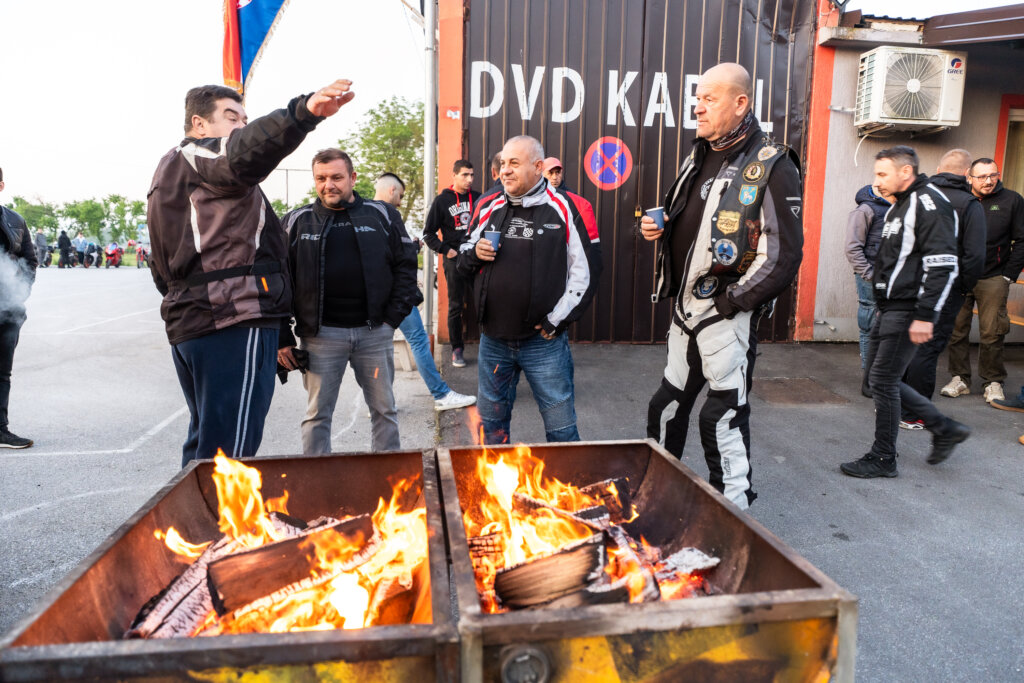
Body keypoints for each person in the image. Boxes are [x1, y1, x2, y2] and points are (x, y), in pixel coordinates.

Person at [148, 79, 355, 467]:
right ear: (199, 124)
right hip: (231, 321)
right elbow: (244, 150)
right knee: (231, 454)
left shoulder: (171, 170)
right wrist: (302, 112)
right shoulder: (200, 155)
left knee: (208, 447)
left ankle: (194, 507)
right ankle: (218, 511)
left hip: (197, 320)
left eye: (245, 119)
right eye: (232, 118)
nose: (242, 126)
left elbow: (160, 268)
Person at [641, 63, 803, 509]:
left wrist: (733, 303)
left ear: (740, 103)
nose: (698, 107)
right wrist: (661, 225)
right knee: (664, 407)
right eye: (698, 99)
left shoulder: (772, 163)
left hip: (726, 318)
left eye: (709, 99)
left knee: (720, 417)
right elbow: (696, 221)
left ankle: (734, 514)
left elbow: (784, 256)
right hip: (685, 312)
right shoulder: (698, 154)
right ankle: (656, 501)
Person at [840, 146, 969, 479]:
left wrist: (926, 316)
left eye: (883, 174)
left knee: (883, 381)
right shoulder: (901, 204)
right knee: (878, 379)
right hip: (890, 307)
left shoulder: (929, 204)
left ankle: (884, 457)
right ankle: (944, 428)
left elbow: (942, 264)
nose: (877, 181)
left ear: (906, 172)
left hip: (909, 308)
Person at [277, 150, 417, 454]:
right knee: (317, 416)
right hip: (320, 337)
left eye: (337, 177)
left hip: (374, 333)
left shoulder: (382, 215)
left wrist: (391, 319)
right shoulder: (297, 221)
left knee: (384, 411)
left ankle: (389, 477)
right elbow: (278, 282)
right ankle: (316, 479)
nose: (329, 185)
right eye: (321, 178)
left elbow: (406, 266)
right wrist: (282, 336)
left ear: (352, 178)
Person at [457, 135, 594, 444]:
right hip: (493, 341)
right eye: (504, 163)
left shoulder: (564, 208)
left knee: (561, 430)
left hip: (543, 343)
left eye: (514, 163)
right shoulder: (488, 205)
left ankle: (567, 477)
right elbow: (462, 257)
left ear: (537, 167)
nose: (505, 170)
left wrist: (555, 321)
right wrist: (475, 252)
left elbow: (583, 273)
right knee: (492, 429)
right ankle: (495, 478)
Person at [373, 172, 476, 412]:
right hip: (397, 294)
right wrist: (413, 247)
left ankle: (379, 402)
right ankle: (441, 394)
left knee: (380, 348)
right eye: (400, 195)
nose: (400, 201)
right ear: (391, 190)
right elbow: (399, 255)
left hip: (375, 295)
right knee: (419, 341)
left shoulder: (363, 214)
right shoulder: (390, 214)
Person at [899, 149, 986, 428]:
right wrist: (963, 286)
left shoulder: (914, 197)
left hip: (907, 285)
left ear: (938, 170)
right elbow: (975, 255)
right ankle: (913, 414)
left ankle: (891, 405)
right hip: (944, 287)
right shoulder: (969, 204)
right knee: (926, 349)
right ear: (967, 174)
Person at [941, 158, 1024, 403]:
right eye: (982, 177)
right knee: (957, 330)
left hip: (994, 276)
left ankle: (993, 382)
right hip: (960, 277)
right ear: (969, 177)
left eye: (993, 175)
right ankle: (960, 379)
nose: (989, 181)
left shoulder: (1012, 200)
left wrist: (1009, 274)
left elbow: (1022, 239)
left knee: (992, 332)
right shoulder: (960, 199)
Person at [423, 160, 480, 368]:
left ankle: (492, 347)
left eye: (471, 175)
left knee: (484, 301)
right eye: (465, 175)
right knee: (456, 305)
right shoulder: (442, 201)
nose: (469, 179)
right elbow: (428, 234)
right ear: (454, 175)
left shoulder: (479, 198)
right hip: (453, 259)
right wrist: (447, 250)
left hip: (475, 258)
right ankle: (457, 349)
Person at [0, 167, 38, 448]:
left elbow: (30, 260)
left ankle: (0, 430)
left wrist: (19, 294)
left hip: (9, 309)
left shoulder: (15, 220)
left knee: (2, 373)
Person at [845, 183, 892, 375]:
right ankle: (870, 376)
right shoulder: (865, 210)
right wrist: (869, 274)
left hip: (893, 277)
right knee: (869, 325)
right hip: (871, 276)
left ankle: (882, 374)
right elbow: (852, 248)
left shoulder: (899, 207)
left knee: (889, 326)